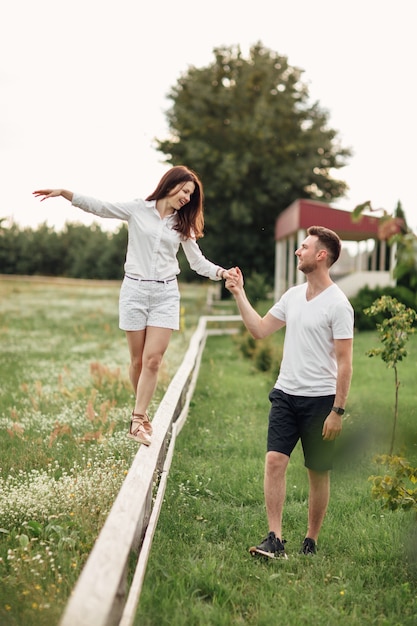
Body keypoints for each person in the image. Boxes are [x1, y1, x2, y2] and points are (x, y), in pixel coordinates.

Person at [33, 166, 233, 447]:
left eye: (191, 195)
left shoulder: (181, 225)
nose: (187, 198)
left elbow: (197, 262)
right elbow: (101, 207)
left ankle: (137, 420)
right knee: (138, 361)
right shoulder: (138, 209)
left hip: (165, 294)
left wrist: (223, 273)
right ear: (170, 184)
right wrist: (67, 194)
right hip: (134, 291)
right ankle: (142, 410)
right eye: (185, 191)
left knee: (153, 360)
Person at [225, 225, 353, 558]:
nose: (299, 251)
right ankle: (275, 538)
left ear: (321, 255)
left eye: (304, 247)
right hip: (285, 394)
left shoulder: (339, 305)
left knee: (317, 472)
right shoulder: (292, 295)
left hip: (321, 401)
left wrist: (337, 411)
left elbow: (345, 364)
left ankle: (310, 539)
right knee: (274, 462)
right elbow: (259, 330)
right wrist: (239, 292)